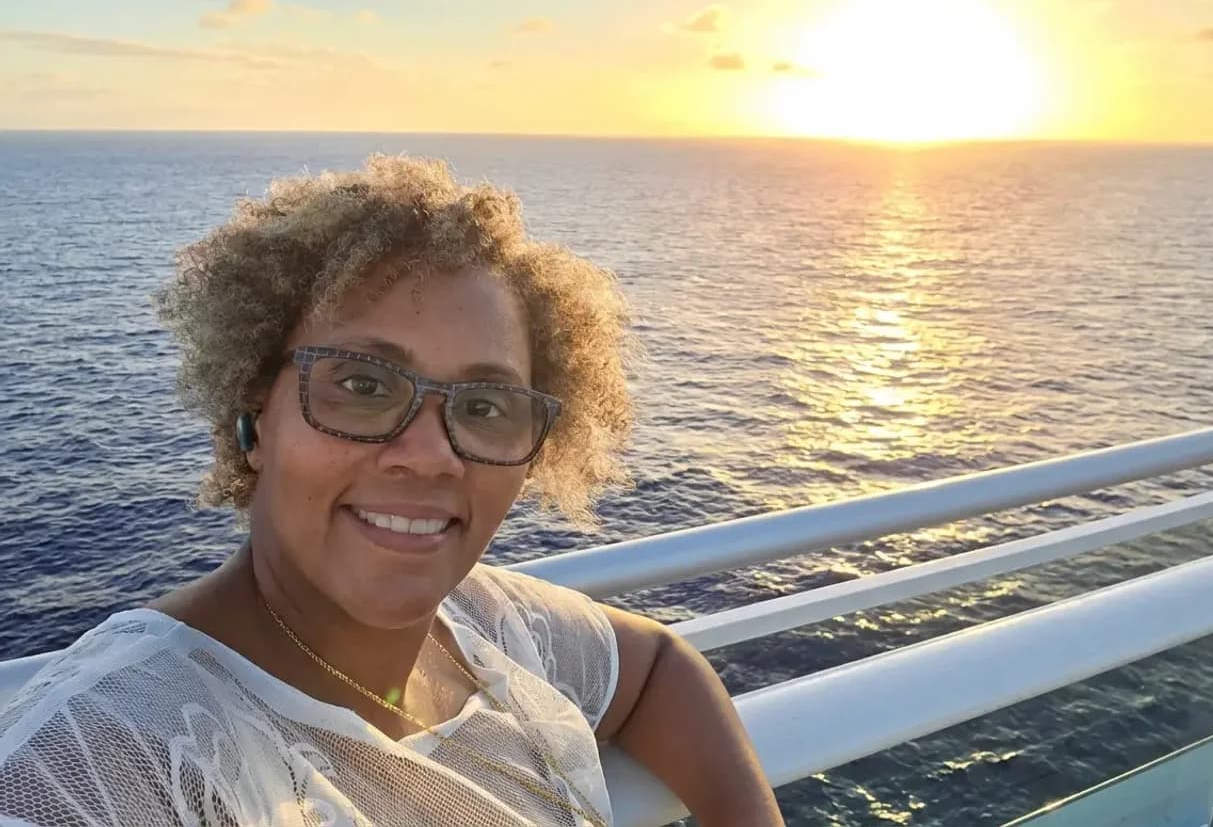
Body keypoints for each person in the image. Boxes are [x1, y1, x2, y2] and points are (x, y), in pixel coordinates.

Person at [0, 155, 784, 827]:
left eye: (483, 407)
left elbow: (654, 669)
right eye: (362, 385)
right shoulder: (101, 760)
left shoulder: (491, 628)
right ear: (253, 413)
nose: (429, 454)